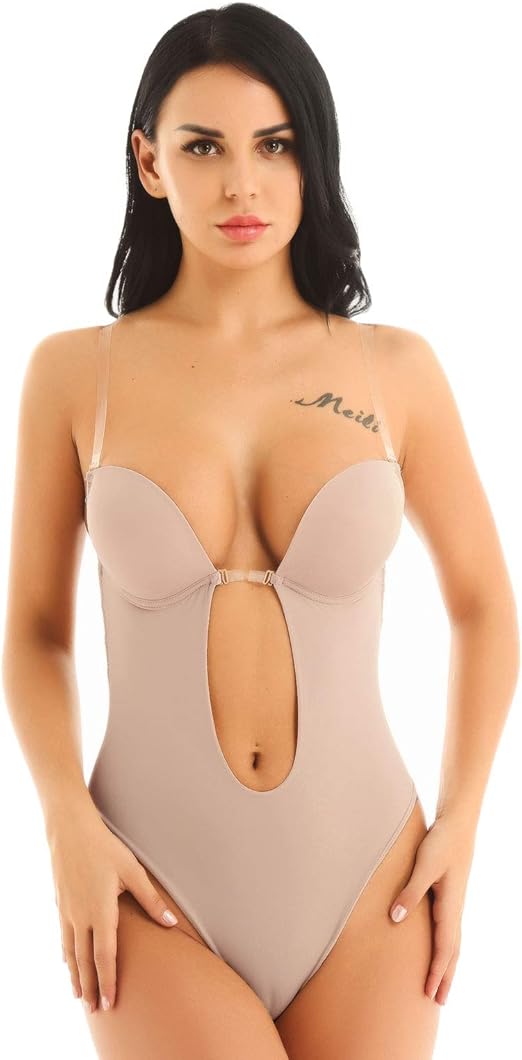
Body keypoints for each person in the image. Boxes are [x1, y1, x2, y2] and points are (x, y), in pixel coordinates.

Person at [2, 5, 519, 1059]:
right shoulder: (74, 372)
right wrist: (64, 822)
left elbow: (482, 604)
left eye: (275, 145)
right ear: (149, 162)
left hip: (371, 883)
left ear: (313, 158)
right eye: (204, 147)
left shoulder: (395, 369)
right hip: (148, 883)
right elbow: (36, 630)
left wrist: (463, 819)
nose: (243, 183)